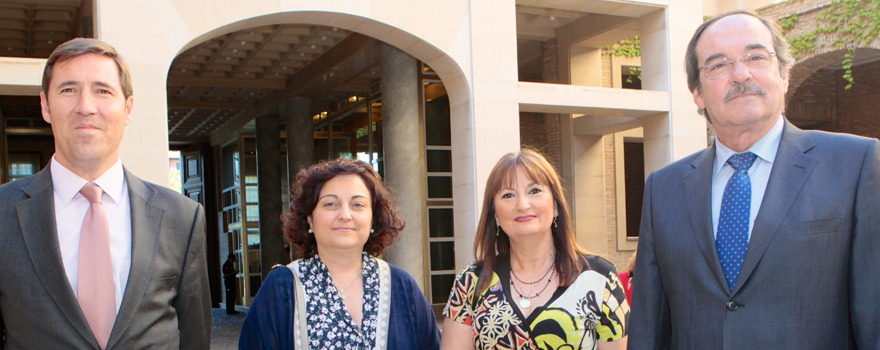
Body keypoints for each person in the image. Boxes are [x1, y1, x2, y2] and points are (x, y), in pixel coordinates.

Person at [628, 10, 880, 350]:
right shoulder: (664, 188)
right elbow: (648, 327)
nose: (740, 73)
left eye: (756, 57)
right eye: (718, 65)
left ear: (784, 75)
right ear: (698, 94)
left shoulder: (855, 164)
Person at [0, 38, 211, 349]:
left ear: (127, 108)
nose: (86, 106)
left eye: (103, 90)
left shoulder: (182, 217)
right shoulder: (3, 213)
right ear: (45, 105)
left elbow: (194, 337)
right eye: (68, 90)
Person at [239, 158, 440, 349]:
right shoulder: (282, 287)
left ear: (373, 219)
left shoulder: (401, 286)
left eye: (358, 204)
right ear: (309, 219)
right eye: (330, 204)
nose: (345, 215)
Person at [441, 148, 629, 350]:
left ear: (556, 205)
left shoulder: (600, 279)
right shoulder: (470, 282)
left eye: (534, 191)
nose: (522, 204)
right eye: (508, 195)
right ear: (494, 213)